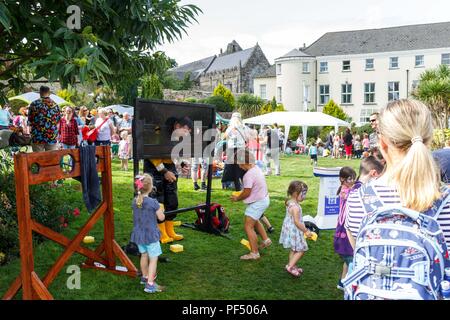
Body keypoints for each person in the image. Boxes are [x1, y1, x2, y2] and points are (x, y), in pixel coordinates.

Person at [344, 99, 450, 250]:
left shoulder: (357, 201)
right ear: (429, 141)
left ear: (382, 143)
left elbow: (358, 257)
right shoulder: (446, 201)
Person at [143, 116, 193, 243]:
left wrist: (181, 164)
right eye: (186, 130)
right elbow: (151, 154)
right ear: (177, 126)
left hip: (168, 167)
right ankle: (161, 232)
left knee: (171, 199)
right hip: (153, 167)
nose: (187, 134)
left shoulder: (179, 138)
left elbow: (174, 154)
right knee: (158, 200)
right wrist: (164, 171)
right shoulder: (158, 132)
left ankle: (170, 230)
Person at [230, 150, 271, 260]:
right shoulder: (256, 168)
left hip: (258, 202)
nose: (238, 166)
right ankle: (266, 240)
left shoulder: (248, 175)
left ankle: (254, 253)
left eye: (238, 163)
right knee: (255, 219)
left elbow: (247, 192)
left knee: (248, 226)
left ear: (243, 162)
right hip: (263, 199)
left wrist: (237, 198)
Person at [131, 174, 165, 293]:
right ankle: (150, 284)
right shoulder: (153, 202)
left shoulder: (135, 202)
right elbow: (161, 218)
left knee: (144, 255)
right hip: (150, 235)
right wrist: (161, 210)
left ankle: (145, 277)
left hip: (139, 235)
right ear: (151, 188)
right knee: (153, 259)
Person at [279, 181, 312, 277]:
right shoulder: (296, 208)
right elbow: (297, 222)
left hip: (290, 230)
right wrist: (306, 231)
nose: (304, 196)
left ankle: (292, 265)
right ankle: (290, 267)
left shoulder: (290, 202)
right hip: (295, 231)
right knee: (301, 250)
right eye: (303, 193)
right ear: (295, 193)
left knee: (294, 249)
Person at [334, 167, 356, 290]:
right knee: (350, 258)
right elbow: (352, 195)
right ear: (342, 179)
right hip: (344, 226)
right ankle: (351, 284)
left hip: (345, 225)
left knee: (349, 255)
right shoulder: (345, 191)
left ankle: (342, 282)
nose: (352, 181)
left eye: (354, 178)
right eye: (349, 178)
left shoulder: (348, 188)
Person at [222, 112, 251, 190]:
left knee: (230, 168)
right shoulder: (244, 127)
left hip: (232, 149)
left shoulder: (230, 127)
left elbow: (224, 137)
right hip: (241, 149)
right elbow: (248, 139)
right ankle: (242, 186)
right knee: (241, 168)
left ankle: (231, 184)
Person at [28, 86, 61, 152]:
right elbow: (58, 121)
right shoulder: (55, 105)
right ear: (49, 93)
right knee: (51, 159)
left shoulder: (34, 104)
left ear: (40, 92)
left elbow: (30, 121)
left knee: (38, 159)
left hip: (37, 136)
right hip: (51, 136)